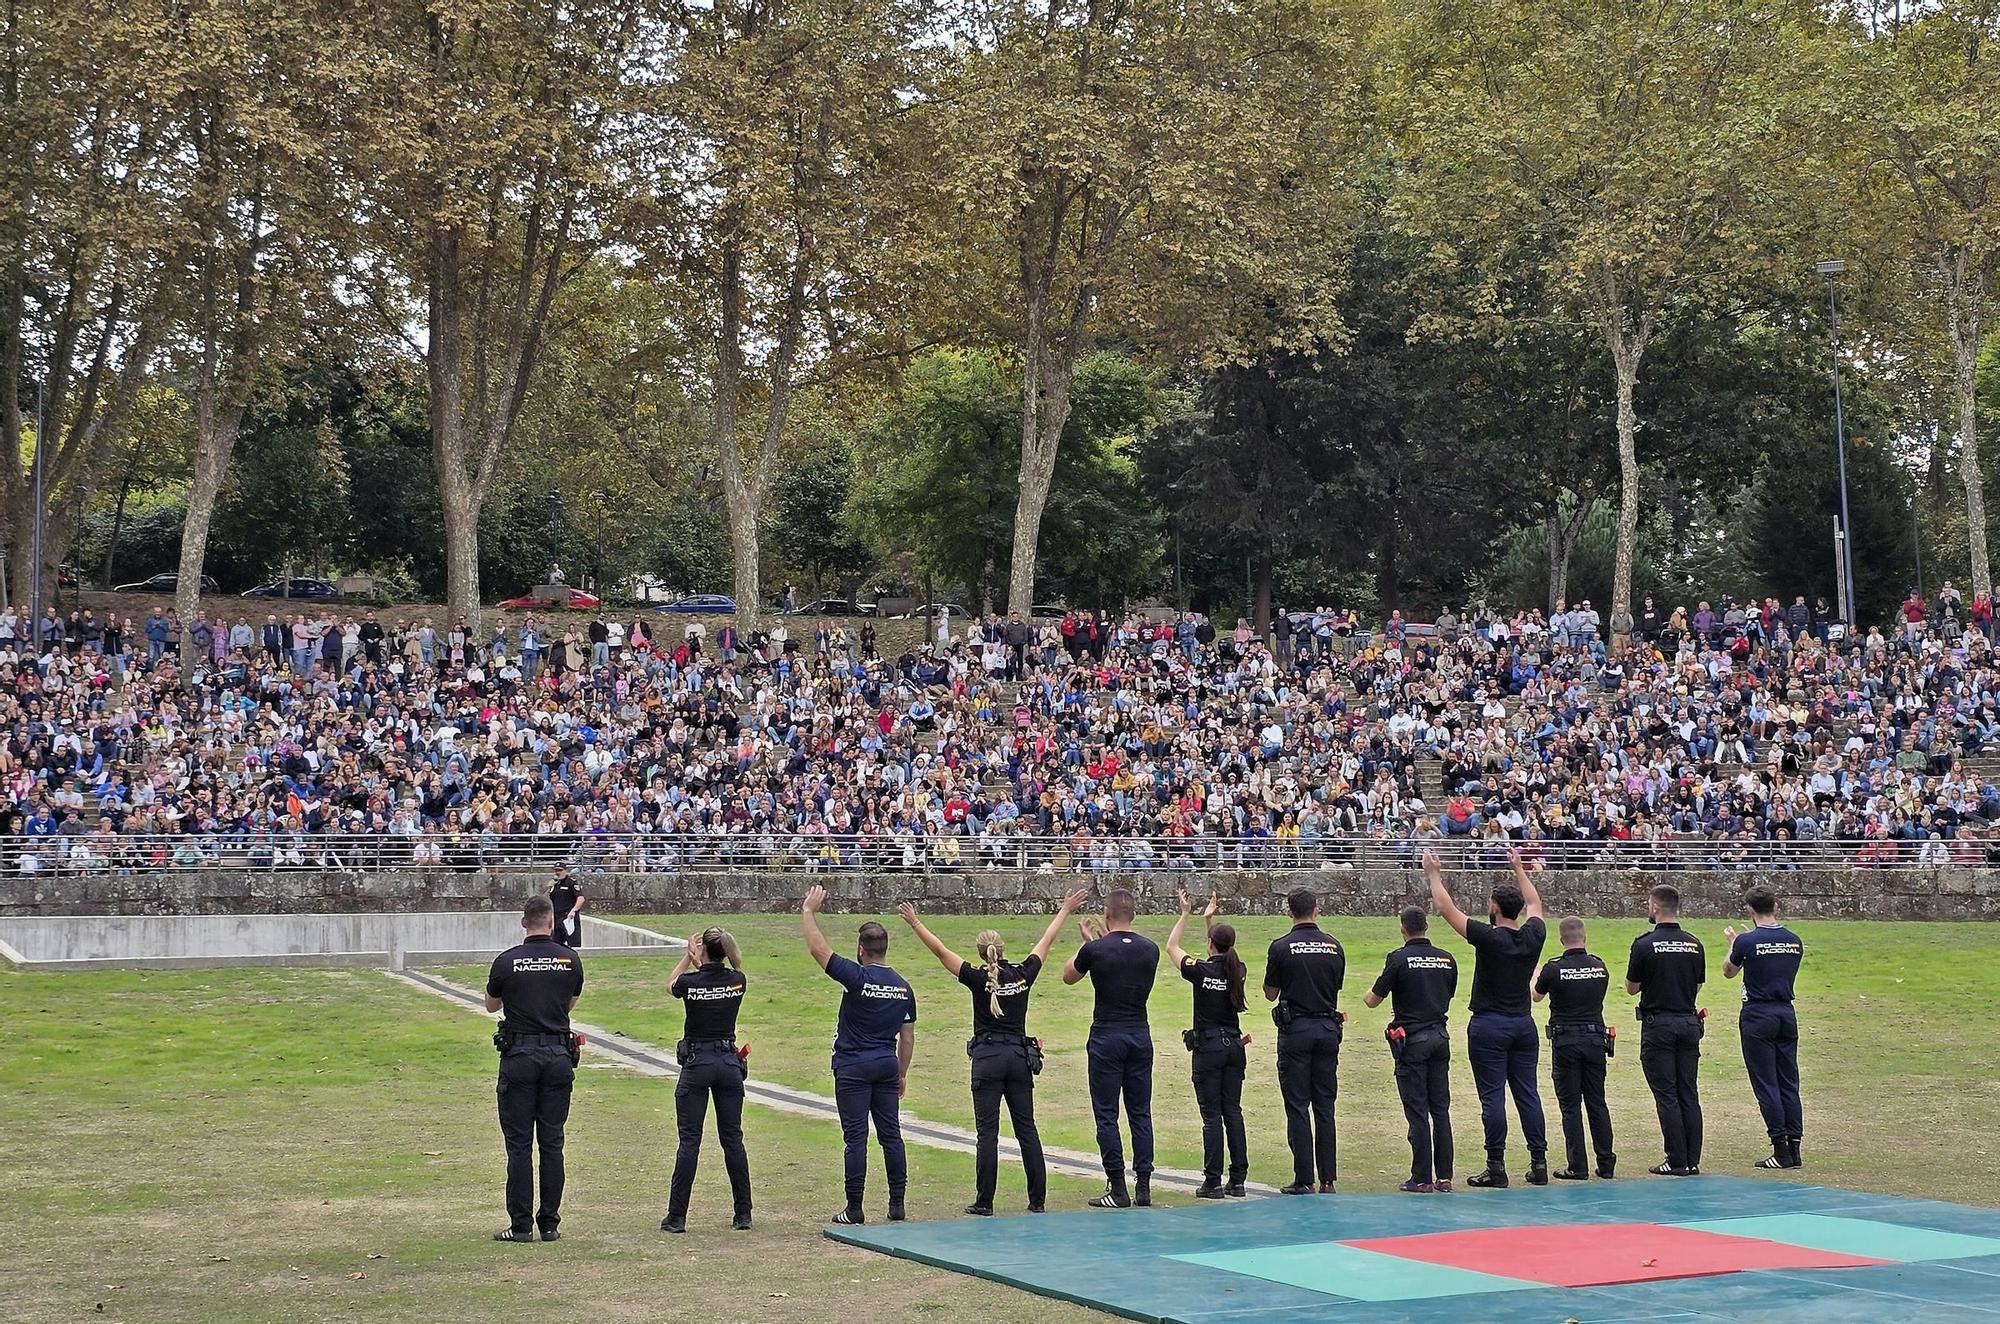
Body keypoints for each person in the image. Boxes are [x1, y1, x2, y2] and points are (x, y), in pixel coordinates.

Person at [898, 889, 1086, 1215]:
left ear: (982, 953)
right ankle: (1037, 1200)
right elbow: (1046, 939)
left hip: (987, 1058)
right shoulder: (1023, 974)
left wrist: (915, 923)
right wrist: (1066, 909)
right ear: (1003, 949)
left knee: (988, 1133)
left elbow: (941, 951)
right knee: (1027, 1129)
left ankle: (985, 1201)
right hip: (1018, 1058)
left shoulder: (976, 978)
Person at [1425, 847, 1549, 1188]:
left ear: (1494, 908)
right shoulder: (1533, 936)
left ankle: (1496, 1166)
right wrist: (1519, 868)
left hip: (1489, 1025)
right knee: (1528, 1094)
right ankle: (1539, 1162)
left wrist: (1433, 874)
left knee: (1492, 1097)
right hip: (1523, 1024)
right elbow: (1535, 903)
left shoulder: (1489, 938)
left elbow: (1446, 909)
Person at [802, 884, 916, 1225]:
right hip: (886, 1064)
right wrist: (901, 1073)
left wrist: (808, 912)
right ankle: (897, 1204)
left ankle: (854, 1208)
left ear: (861, 950)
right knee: (891, 1134)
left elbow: (819, 951)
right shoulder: (903, 987)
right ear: (885, 948)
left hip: (853, 1065)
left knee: (855, 1138)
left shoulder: (857, 977)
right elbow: (907, 1037)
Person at [483, 893, 583, 1243]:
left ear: (524, 922)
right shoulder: (570, 960)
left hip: (520, 1056)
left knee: (519, 1145)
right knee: (552, 1143)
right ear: (552, 922)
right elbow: (568, 1005)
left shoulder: (507, 961)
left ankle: (521, 1224)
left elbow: (491, 1005)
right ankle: (550, 1224)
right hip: (557, 1055)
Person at [1062, 887, 1159, 1209]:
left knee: (1107, 1114)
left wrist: (1087, 942)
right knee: (1140, 1112)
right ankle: (1143, 1184)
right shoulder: (1150, 949)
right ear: (1134, 914)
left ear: (1106, 913)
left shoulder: (1095, 950)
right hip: (1139, 1033)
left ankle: (1117, 1186)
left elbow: (1068, 975)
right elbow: (1121, 956)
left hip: (1107, 1034)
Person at [661, 926, 752, 1234]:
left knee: (689, 1142)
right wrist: (701, 959)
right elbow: (717, 979)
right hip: (728, 1063)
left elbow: (670, 985)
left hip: (698, 1064)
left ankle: (677, 1217)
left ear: (703, 951)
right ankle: (743, 1213)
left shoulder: (690, 982)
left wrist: (688, 958)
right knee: (733, 1139)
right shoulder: (738, 981)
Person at [1363, 904, 1458, 1193]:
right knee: (1440, 1110)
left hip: (1413, 1041)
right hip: (1439, 1036)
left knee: (1417, 1111)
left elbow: (1373, 1000)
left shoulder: (1399, 959)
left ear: (1402, 928)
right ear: (1426, 927)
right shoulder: (1446, 958)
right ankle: (1444, 1176)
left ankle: (1421, 1177)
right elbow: (1448, 994)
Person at [1166, 887, 1249, 1200]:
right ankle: (1237, 1180)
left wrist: (1185, 914)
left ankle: (1212, 1181)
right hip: (1234, 1047)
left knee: (1211, 1116)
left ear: (1210, 944)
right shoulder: (1237, 970)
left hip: (1209, 1048)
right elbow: (1223, 953)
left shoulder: (1200, 970)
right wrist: (1210, 922)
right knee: (1233, 1112)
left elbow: (1172, 946)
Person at [1262, 887, 1344, 1195]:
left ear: (1289, 911)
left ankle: (1304, 1178)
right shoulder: (1334, 946)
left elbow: (1270, 992)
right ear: (1316, 909)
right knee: (1325, 1106)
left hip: (1296, 1029)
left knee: (1297, 1105)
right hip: (1326, 1028)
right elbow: (1335, 986)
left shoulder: (1281, 947)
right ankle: (1328, 1179)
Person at [1626, 883, 1706, 1176]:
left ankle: (1675, 1159)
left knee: (1667, 1095)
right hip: (1687, 1022)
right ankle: (1692, 1159)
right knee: (1688, 1092)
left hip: (1658, 1024)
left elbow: (1632, 987)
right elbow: (1698, 984)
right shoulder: (1694, 943)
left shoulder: (1644, 944)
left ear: (1656, 907)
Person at [1723, 885, 1805, 1170]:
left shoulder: (1746, 942)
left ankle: (1780, 1148)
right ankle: (1795, 1147)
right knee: (1788, 1082)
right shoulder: (1793, 940)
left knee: (1766, 1083)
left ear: (1750, 910)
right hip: (1785, 1012)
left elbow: (1729, 971)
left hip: (1758, 1013)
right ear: (1776, 907)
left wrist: (1734, 944)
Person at [1533, 916, 1616, 1181]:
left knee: (1570, 1106)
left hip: (1566, 1040)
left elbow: (1536, 996)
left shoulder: (1553, 968)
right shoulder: (1599, 966)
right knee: (1597, 1102)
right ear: (1585, 938)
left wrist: (1535, 973)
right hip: (1595, 1039)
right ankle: (1606, 1162)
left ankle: (1577, 1165)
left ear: (1561, 940)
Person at [548, 863, 585, 948]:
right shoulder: (555, 884)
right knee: (556, 945)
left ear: (565, 871)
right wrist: (550, 887)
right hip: (557, 919)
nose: (558, 873)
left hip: (569, 918)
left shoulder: (571, 882)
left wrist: (574, 910)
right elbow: (546, 899)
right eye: (556, 870)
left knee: (573, 944)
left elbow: (581, 898)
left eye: (560, 870)